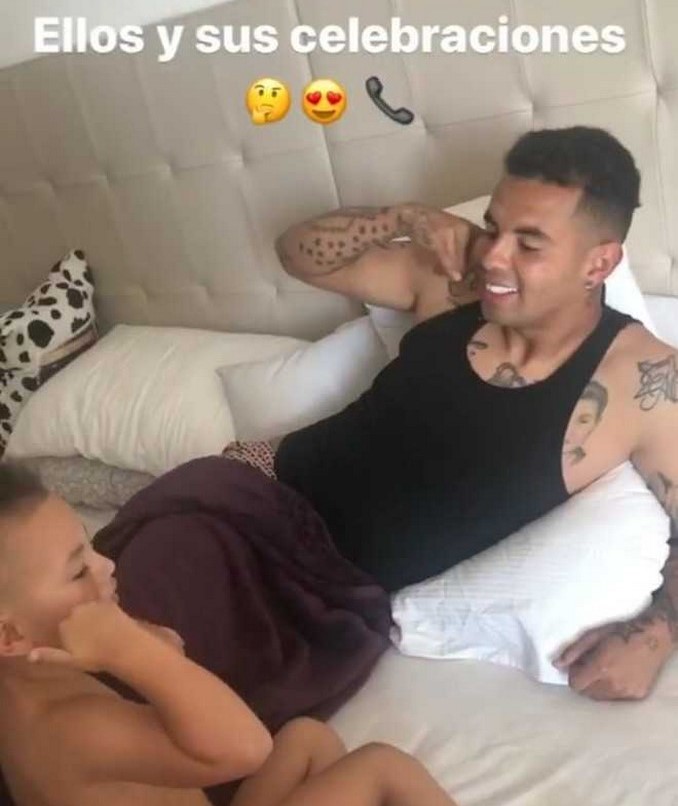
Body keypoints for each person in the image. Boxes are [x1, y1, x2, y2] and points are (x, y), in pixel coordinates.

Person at [272, 126, 678, 702]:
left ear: (599, 263)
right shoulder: (452, 283)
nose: (492, 256)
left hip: (333, 600)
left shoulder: (646, 383)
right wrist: (404, 218)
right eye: (492, 228)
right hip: (260, 493)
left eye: (528, 244)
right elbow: (295, 254)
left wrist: (657, 633)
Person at [0, 463, 459, 806]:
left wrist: (142, 646)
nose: (106, 565)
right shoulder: (69, 729)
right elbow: (247, 749)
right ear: (7, 634)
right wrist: (131, 651)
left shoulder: (32, 682)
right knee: (382, 766)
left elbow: (169, 662)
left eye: (90, 545)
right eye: (78, 571)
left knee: (306, 738)